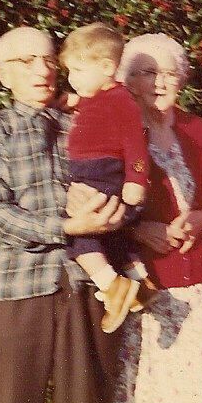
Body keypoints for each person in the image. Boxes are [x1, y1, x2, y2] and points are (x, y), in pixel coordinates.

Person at [0, 26, 137, 403]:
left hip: (87, 287)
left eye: (48, 60)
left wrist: (114, 214)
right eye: (27, 61)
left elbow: (127, 183)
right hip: (19, 287)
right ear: (2, 74)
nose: (42, 70)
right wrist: (67, 227)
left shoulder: (87, 119)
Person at [109, 33, 202, 403]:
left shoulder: (195, 128)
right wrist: (138, 228)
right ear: (128, 81)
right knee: (149, 397)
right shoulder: (118, 132)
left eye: (169, 73)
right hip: (147, 284)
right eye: (148, 73)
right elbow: (98, 201)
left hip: (197, 284)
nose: (160, 82)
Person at [60, 23, 152, 333]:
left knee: (81, 230)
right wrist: (73, 101)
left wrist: (136, 179)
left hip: (100, 170)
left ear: (107, 68)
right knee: (110, 232)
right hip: (93, 169)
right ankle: (139, 282)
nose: (72, 78)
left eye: (78, 70)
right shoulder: (98, 96)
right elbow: (90, 106)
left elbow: (135, 143)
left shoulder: (121, 101)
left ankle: (112, 286)